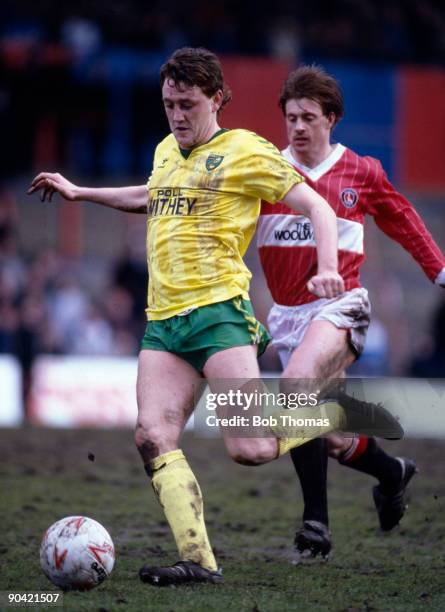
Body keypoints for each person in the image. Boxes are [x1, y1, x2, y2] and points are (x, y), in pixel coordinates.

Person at [28, 48, 397, 586]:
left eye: (187, 104)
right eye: (168, 104)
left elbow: (318, 206)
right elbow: (153, 197)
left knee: (250, 450)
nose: (177, 115)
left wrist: (325, 269)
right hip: (165, 325)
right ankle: (198, 560)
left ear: (217, 99)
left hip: (219, 317)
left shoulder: (244, 150)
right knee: (152, 436)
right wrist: (80, 192)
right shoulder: (165, 151)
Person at [258, 65, 445, 561]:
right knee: (331, 437)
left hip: (342, 308)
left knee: (295, 389)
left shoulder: (361, 171)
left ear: (332, 119)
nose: (297, 126)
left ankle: (315, 526)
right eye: (291, 117)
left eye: (308, 117)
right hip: (288, 317)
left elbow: (402, 218)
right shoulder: (266, 171)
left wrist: (440, 272)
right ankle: (392, 473)